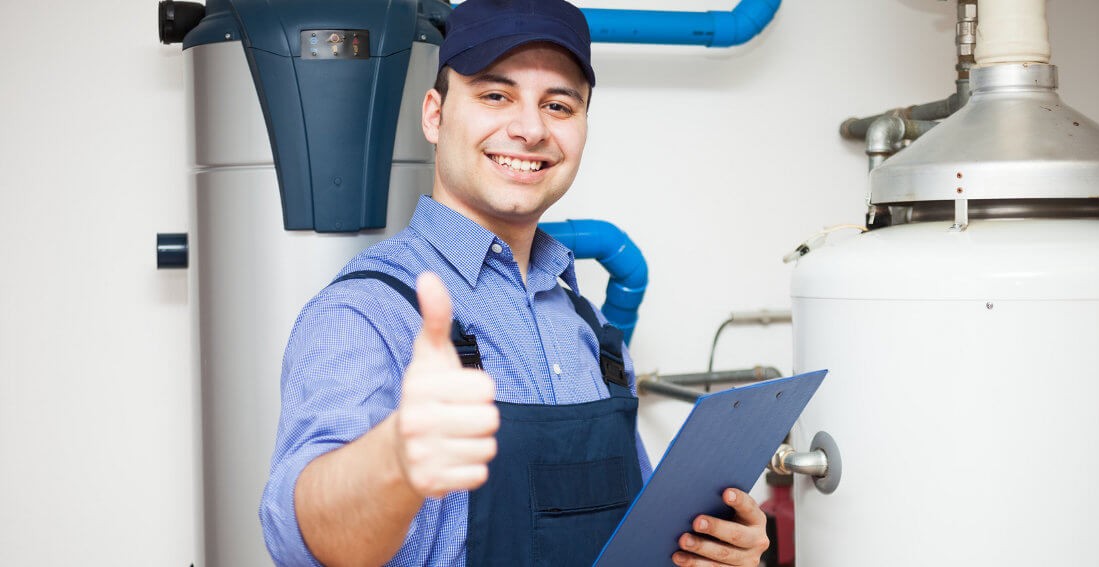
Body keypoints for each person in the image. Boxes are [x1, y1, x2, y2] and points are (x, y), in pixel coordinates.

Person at [260, 0, 770, 565]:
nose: (530, 129)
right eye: (495, 95)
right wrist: (393, 460)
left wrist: (705, 549)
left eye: (558, 105)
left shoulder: (589, 327)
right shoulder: (367, 311)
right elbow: (298, 539)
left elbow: (635, 540)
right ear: (435, 114)